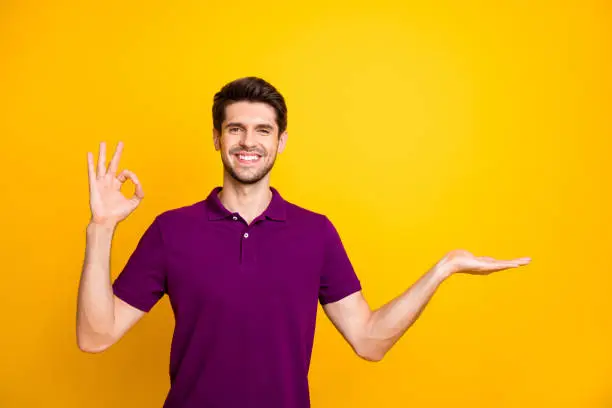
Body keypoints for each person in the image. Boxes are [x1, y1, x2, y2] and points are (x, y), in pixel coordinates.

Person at [76, 76, 531, 408]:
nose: (247, 142)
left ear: (282, 141)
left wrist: (442, 269)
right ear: (216, 138)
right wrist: (101, 228)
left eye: (262, 130)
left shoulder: (315, 233)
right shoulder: (172, 230)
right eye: (235, 129)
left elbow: (369, 341)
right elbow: (95, 337)